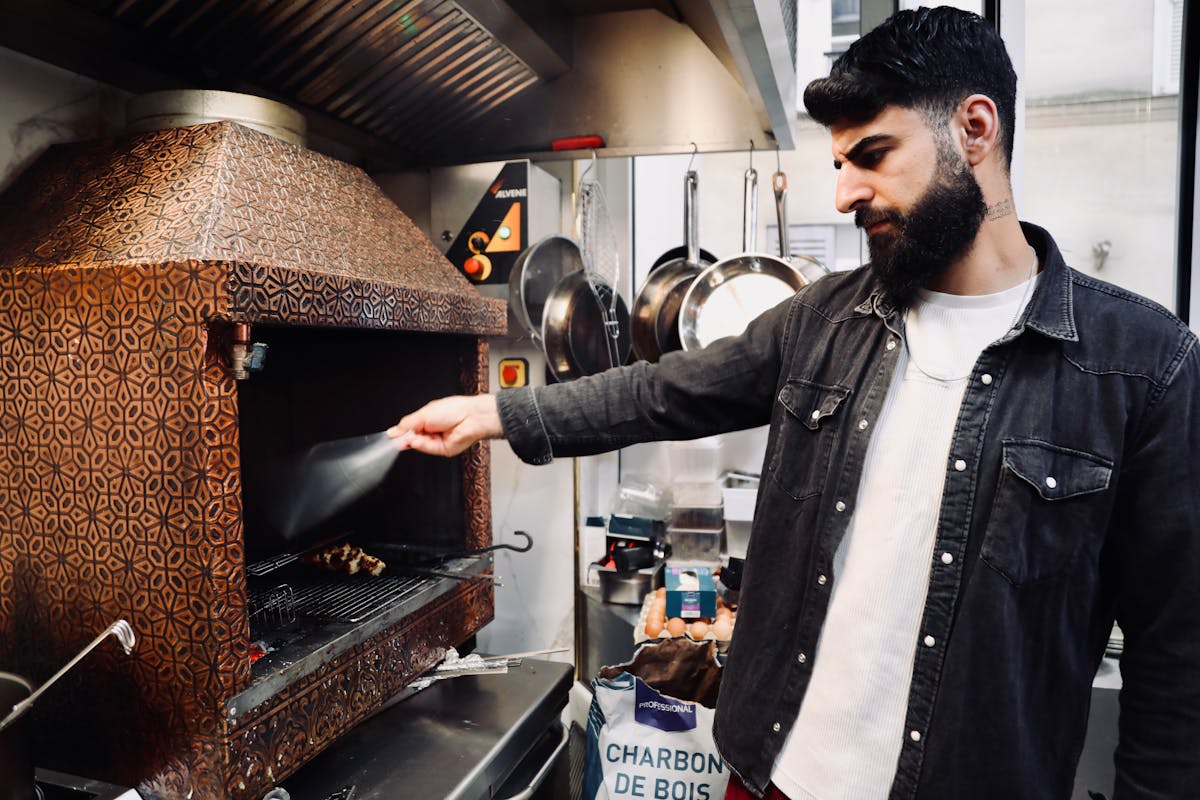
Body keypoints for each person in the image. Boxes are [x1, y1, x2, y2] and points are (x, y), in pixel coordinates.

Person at [389, 7, 1200, 798]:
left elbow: (1176, 656)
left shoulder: (1143, 367)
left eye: (872, 155)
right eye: (840, 162)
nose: (844, 193)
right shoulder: (825, 317)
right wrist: (496, 414)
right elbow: (663, 390)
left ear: (975, 130)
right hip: (772, 773)